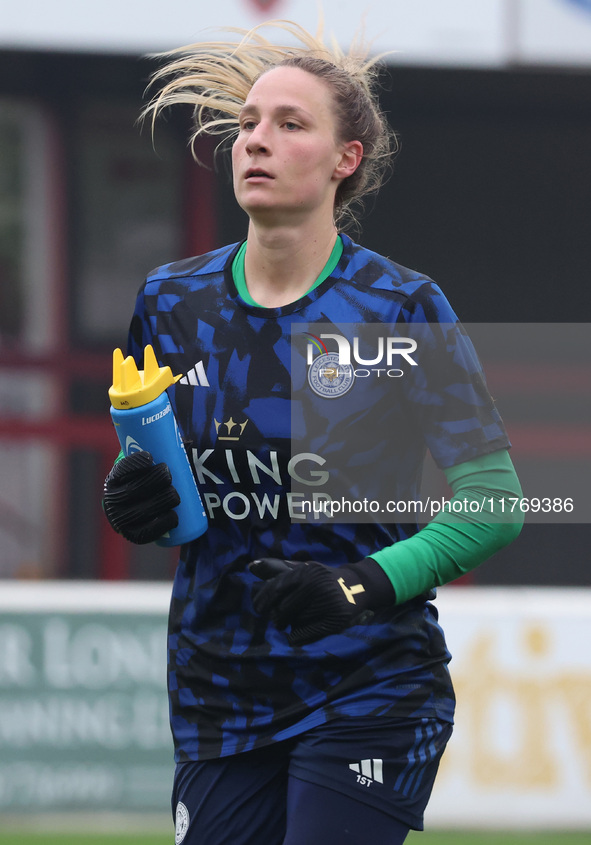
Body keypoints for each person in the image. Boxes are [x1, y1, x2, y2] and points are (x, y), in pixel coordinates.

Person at [102, 20, 523, 845]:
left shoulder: (401, 307)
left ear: (345, 160)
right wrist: (133, 497)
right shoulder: (171, 298)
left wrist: (357, 584)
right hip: (216, 689)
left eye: (289, 124)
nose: (255, 140)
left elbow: (494, 504)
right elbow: (154, 473)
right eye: (248, 123)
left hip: (369, 684)